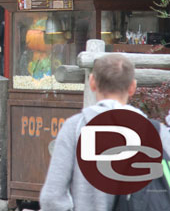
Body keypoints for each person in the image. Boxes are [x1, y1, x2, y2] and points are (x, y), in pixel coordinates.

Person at [39, 54, 170, 211]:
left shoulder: (75, 128)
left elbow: (52, 197)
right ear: (132, 87)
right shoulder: (157, 132)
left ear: (92, 82)